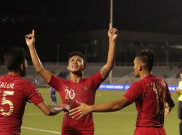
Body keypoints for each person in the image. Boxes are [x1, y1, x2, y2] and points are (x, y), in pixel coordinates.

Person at [25, 25, 117, 135]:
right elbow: (40, 69)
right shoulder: (61, 84)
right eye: (72, 60)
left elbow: (109, 65)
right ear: (68, 66)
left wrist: (111, 40)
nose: (74, 62)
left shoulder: (91, 82)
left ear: (84, 67)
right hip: (68, 129)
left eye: (79, 60)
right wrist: (31, 47)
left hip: (86, 130)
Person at [70, 49, 175, 135]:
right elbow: (171, 102)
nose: (133, 67)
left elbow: (118, 105)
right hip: (161, 131)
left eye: (134, 64)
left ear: (140, 67)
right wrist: (167, 106)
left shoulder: (140, 85)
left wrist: (90, 108)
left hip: (145, 131)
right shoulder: (162, 82)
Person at [0, 47, 69, 135]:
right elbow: (47, 110)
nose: (27, 66)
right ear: (22, 66)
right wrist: (63, 106)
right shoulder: (26, 86)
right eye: (26, 63)